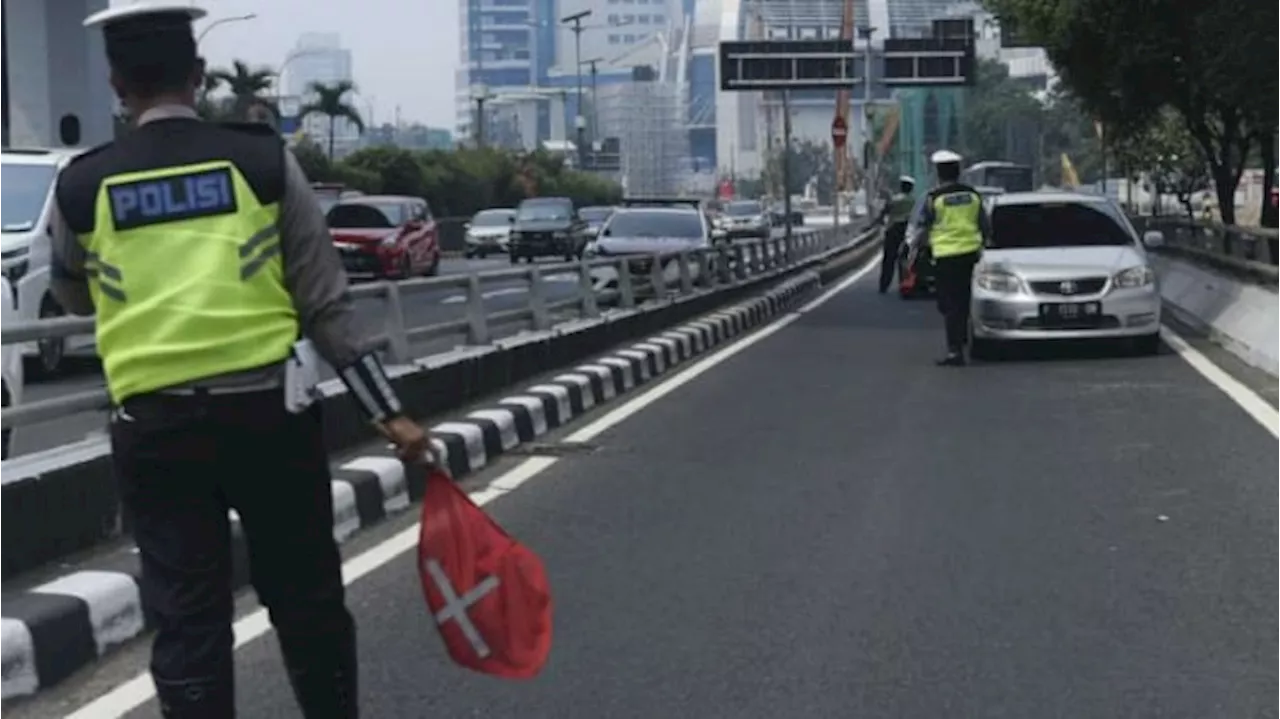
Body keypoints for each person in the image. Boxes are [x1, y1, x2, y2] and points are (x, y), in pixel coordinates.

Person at [51, 4, 430, 716]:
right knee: (307, 600)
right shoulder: (260, 160)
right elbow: (326, 305)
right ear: (197, 77)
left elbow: (70, 288)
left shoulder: (81, 184)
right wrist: (391, 412)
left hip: (154, 427)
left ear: (115, 84)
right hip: (269, 420)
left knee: (188, 620)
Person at [907, 150, 991, 366]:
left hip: (945, 256)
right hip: (970, 255)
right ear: (959, 172)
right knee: (962, 300)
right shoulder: (972, 195)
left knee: (947, 304)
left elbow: (923, 228)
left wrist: (914, 250)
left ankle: (955, 350)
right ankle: (961, 340)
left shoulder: (934, 198)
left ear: (938, 173)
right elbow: (985, 225)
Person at [877, 175, 917, 293]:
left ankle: (884, 285)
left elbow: (884, 212)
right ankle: (903, 283)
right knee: (905, 258)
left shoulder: (894, 200)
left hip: (893, 229)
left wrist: (879, 221)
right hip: (908, 231)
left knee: (889, 258)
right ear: (911, 188)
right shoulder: (914, 201)